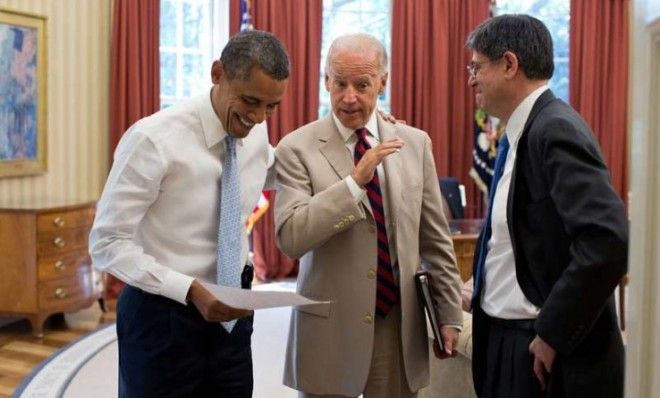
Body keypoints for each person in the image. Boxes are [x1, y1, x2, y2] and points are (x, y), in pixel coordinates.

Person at [89, 30, 289, 397]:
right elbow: (106, 243)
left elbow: (277, 169)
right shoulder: (153, 140)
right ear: (218, 73)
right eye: (250, 101)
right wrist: (189, 289)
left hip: (234, 317)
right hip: (161, 318)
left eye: (271, 107)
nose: (259, 118)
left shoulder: (254, 134)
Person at [274, 33, 463, 398]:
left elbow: (435, 239)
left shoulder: (415, 143)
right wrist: (353, 184)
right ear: (325, 80)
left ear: (383, 82)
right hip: (329, 330)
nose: (349, 97)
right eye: (340, 83)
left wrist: (448, 314)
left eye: (362, 85)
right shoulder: (296, 147)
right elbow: (291, 238)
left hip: (397, 326)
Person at [466, 15, 628, 398]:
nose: (471, 79)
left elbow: (608, 239)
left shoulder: (555, 128)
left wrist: (552, 332)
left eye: (476, 67)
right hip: (505, 341)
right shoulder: (518, 133)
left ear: (509, 64)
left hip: (546, 355)